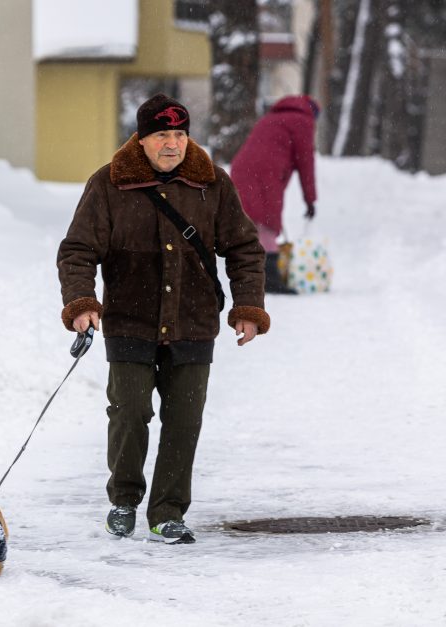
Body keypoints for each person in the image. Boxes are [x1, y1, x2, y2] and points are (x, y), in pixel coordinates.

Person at [57, 94, 270, 544]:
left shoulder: (212, 184)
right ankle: (124, 499)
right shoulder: (109, 185)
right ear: (142, 138)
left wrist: (247, 307)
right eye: (162, 135)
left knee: (184, 420)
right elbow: (77, 251)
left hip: (192, 322)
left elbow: (245, 250)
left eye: (179, 134)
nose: (172, 144)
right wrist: (82, 303)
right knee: (130, 413)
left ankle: (168, 511)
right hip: (130, 320)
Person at [230, 94, 320, 294]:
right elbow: (306, 162)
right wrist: (310, 200)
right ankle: (269, 277)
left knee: (252, 223)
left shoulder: (271, 117)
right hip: (265, 173)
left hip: (242, 168)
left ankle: (250, 277)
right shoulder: (303, 121)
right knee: (267, 222)